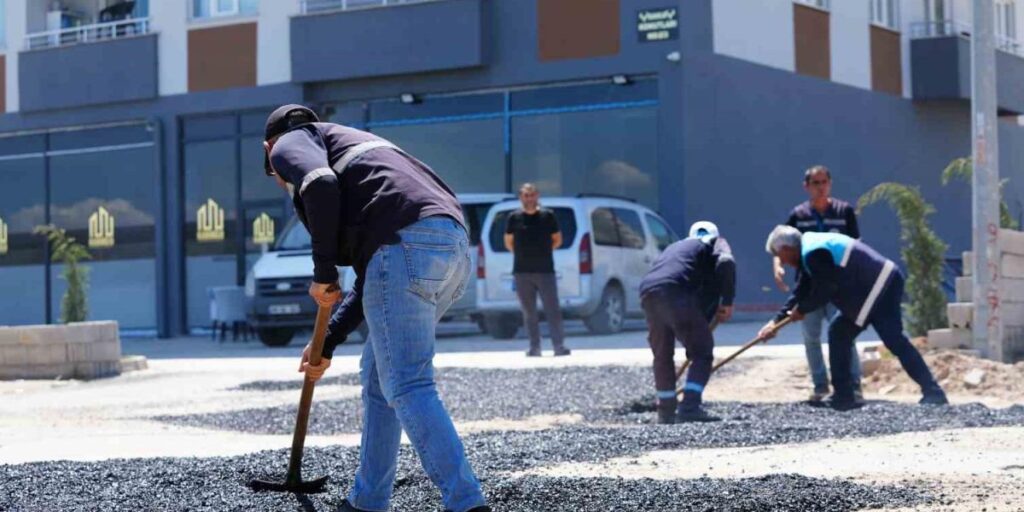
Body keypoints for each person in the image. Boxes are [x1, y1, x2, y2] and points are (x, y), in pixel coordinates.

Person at [262, 104, 490, 512]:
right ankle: (368, 501)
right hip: (450, 247)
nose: (280, 178)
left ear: (269, 149)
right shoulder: (362, 150)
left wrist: (323, 272)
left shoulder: (290, 143)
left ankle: (467, 503)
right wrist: (327, 341)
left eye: (274, 172)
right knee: (378, 377)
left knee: (406, 383)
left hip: (406, 248)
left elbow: (318, 184)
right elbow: (377, 280)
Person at [760, 225, 949, 411]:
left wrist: (802, 309)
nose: (781, 262)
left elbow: (826, 289)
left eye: (779, 256)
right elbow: (802, 290)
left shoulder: (814, 253)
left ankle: (933, 392)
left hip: (880, 284)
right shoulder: (808, 250)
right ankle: (844, 395)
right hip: (870, 288)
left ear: (786, 249)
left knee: (891, 338)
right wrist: (775, 322)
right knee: (840, 332)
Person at [774, 165, 863, 403]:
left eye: (824, 182)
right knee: (811, 337)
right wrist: (778, 265)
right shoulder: (799, 215)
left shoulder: (844, 212)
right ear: (806, 187)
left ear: (830, 184)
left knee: (844, 335)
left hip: (839, 287)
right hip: (809, 286)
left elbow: (856, 247)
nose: (820, 187)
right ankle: (820, 385)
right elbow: (782, 243)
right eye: (815, 183)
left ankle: (852, 385)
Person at [639, 221, 736, 424]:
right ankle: (690, 407)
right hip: (675, 291)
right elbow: (726, 262)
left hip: (648, 290)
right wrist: (727, 302)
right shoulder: (714, 242)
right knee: (702, 352)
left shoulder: (676, 248)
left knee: (662, 354)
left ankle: (665, 412)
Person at [504, 183, 570, 357]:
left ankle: (559, 346)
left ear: (537, 196)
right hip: (522, 272)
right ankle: (535, 348)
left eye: (532, 195)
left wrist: (542, 253)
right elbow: (508, 242)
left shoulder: (548, 216)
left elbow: (557, 239)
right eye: (526, 195)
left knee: (552, 310)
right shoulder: (514, 218)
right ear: (521, 197)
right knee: (529, 312)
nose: (529, 198)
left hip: (545, 270)